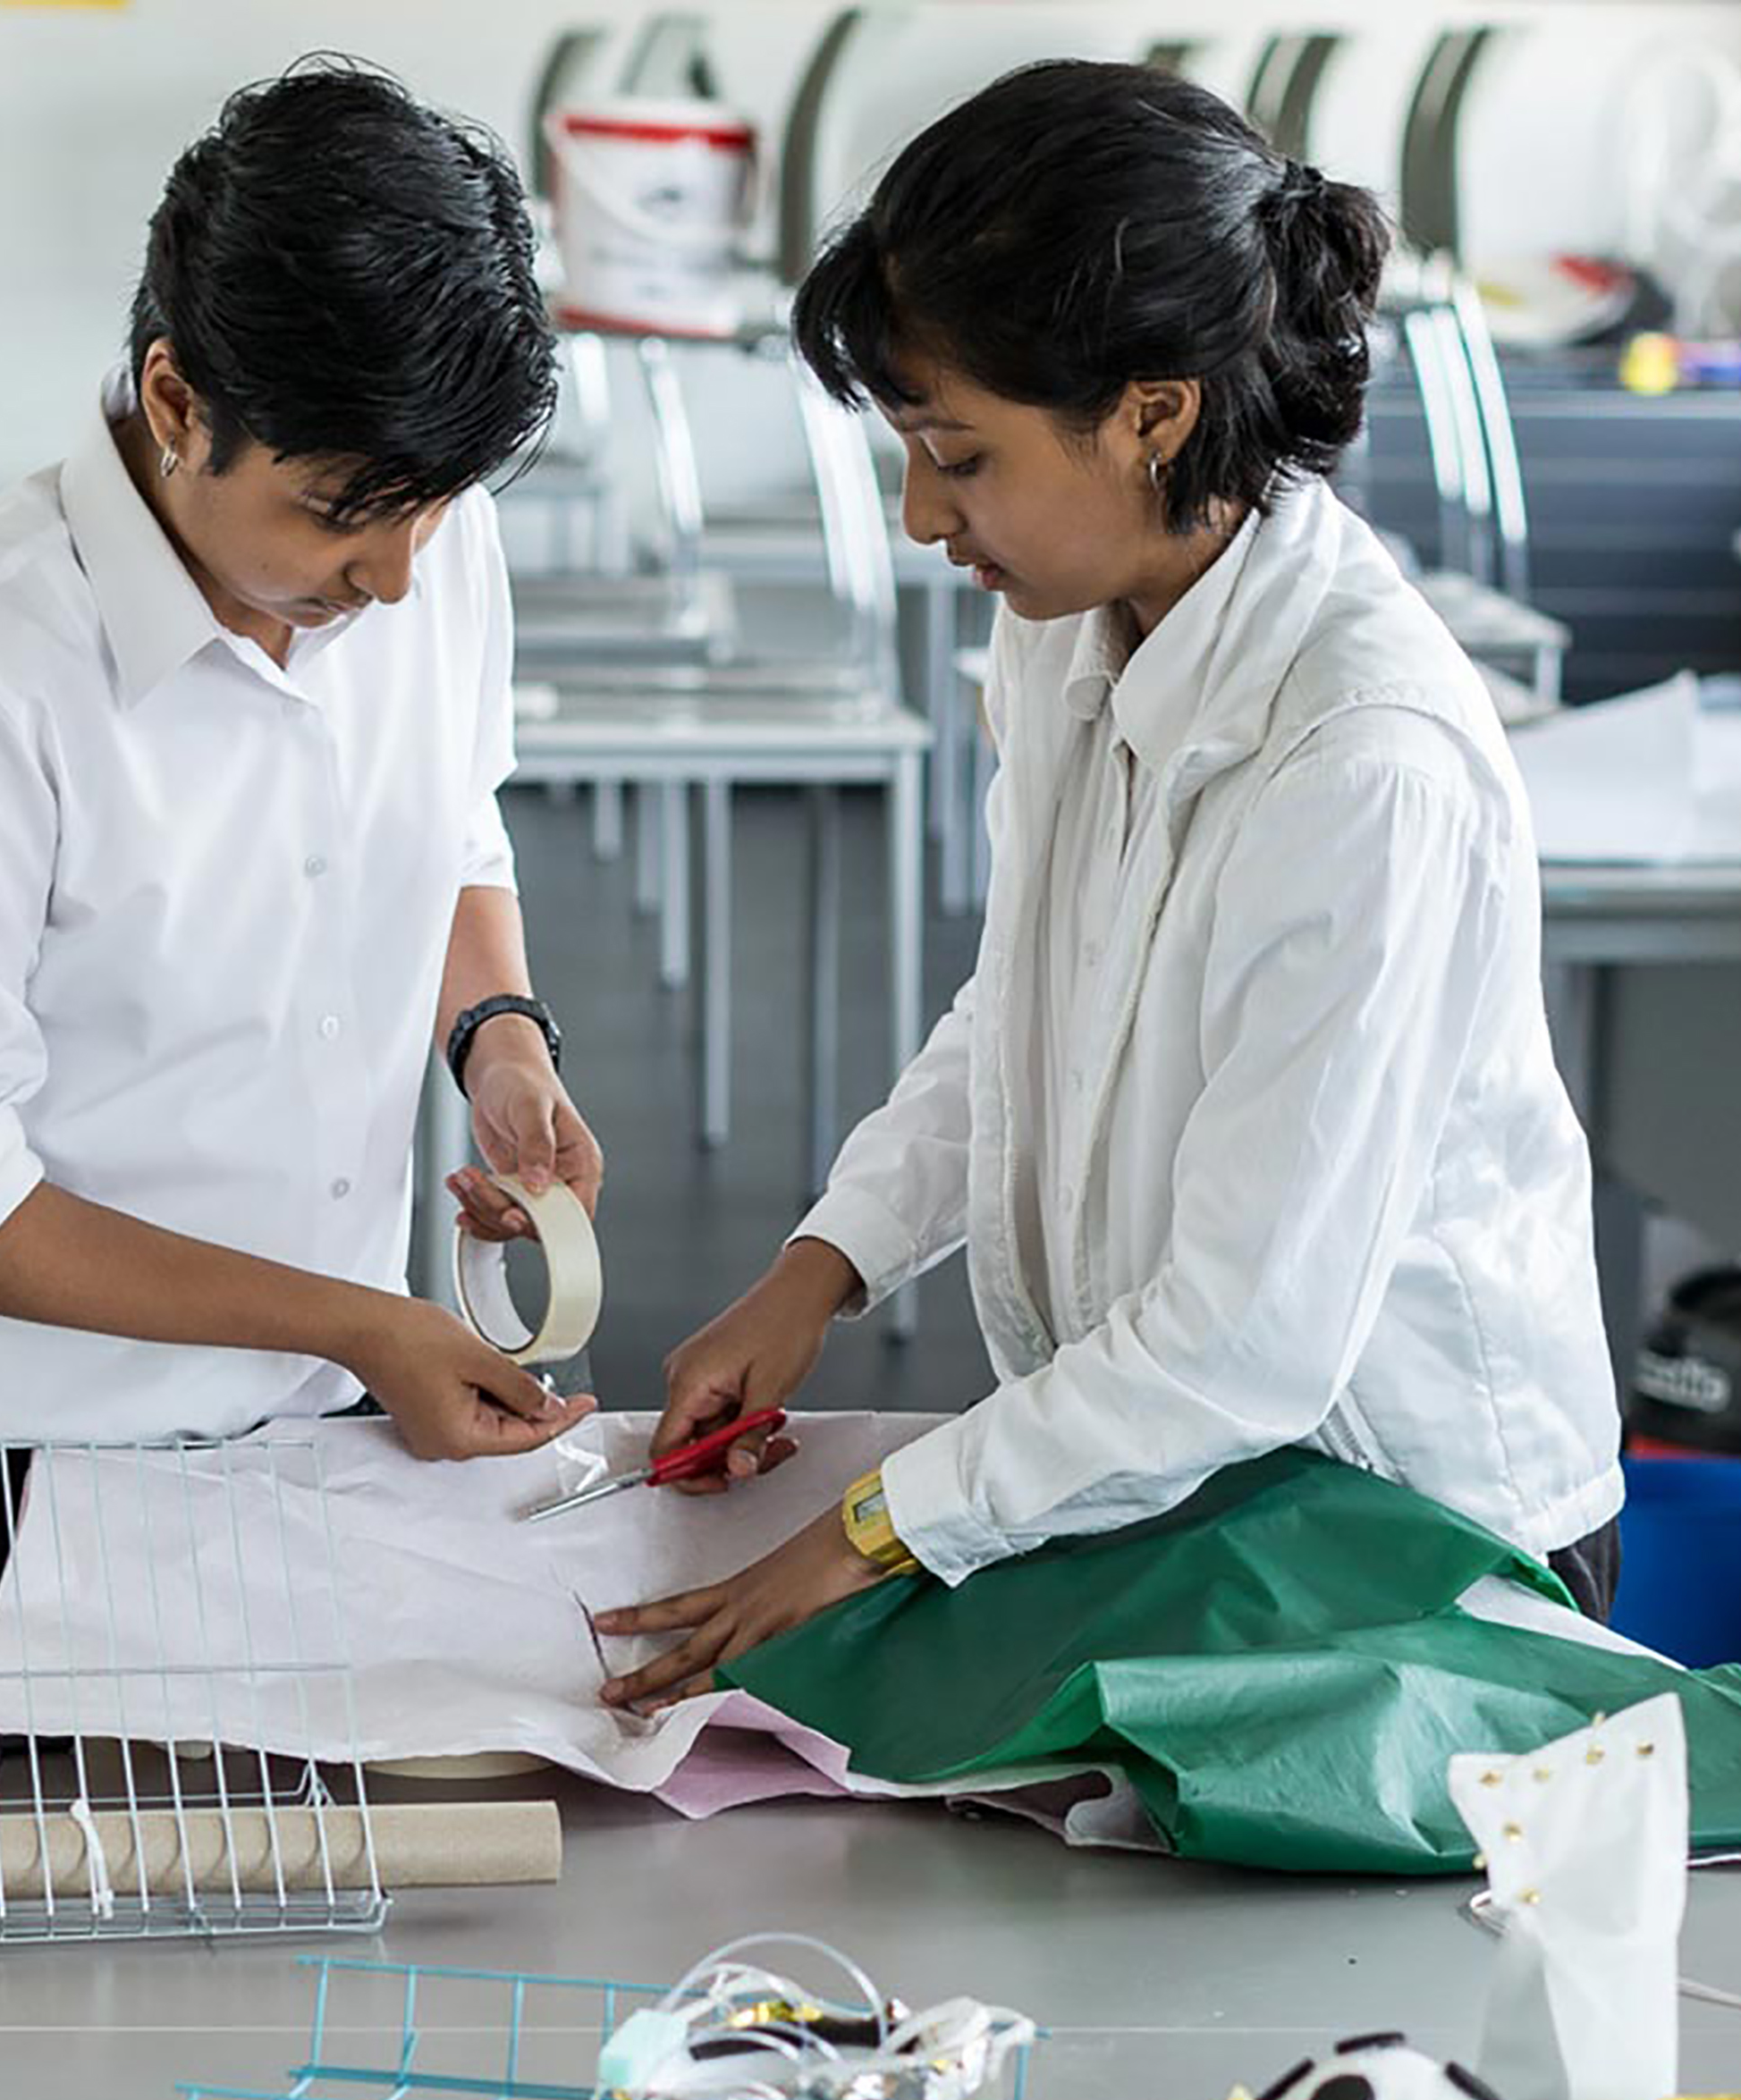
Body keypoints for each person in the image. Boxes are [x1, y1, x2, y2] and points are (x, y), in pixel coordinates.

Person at [597, 62, 1626, 1712]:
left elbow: (1247, 1341)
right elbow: (1028, 999)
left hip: (1412, 1543)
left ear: (1153, 412)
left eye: (961, 454)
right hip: (1194, 1486)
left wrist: (869, 1534)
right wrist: (825, 1265)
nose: (924, 513)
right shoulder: (1071, 615)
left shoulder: (1361, 762)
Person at [0, 63, 602, 1669]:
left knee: (306, 1889)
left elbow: (454, 826)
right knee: (48, 1906)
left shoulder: (414, 533)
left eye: (436, 510)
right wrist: (361, 1321)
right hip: (3, 1467)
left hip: (324, 1422)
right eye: (345, 512)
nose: (401, 575)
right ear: (174, 402)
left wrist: (497, 1038)